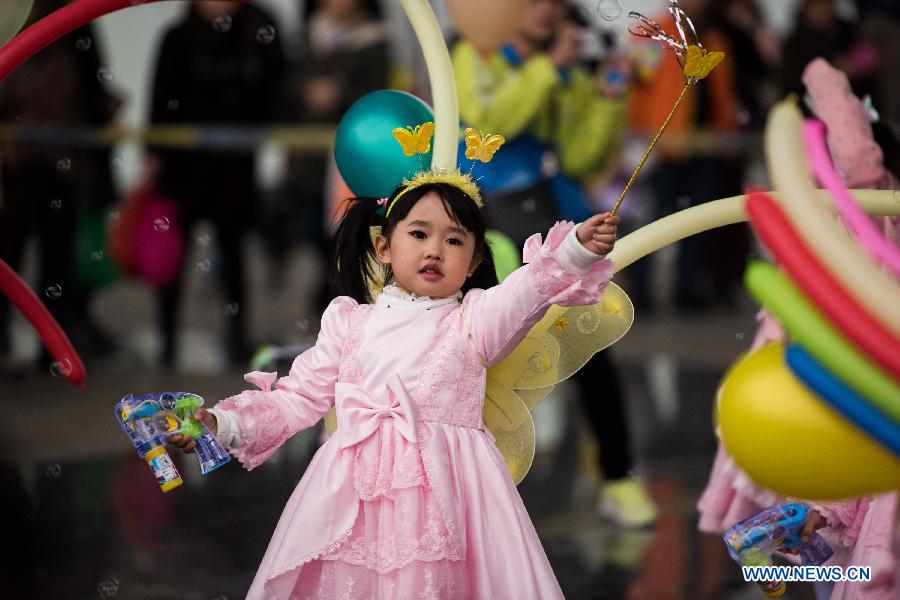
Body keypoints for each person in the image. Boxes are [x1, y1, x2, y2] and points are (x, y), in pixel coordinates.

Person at [169, 166, 621, 597]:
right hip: (349, 497)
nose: (434, 250)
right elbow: (296, 398)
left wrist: (575, 250)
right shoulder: (349, 322)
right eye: (419, 234)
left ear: (474, 259)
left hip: (448, 496)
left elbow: (528, 291)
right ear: (384, 247)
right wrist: (218, 424)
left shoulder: (475, 320)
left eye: (454, 240)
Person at [698, 58, 899, 600]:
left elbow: (857, 158)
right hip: (817, 400)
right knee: (836, 552)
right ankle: (794, 555)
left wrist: (816, 75)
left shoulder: (868, 212)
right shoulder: (820, 230)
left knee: (854, 555)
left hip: (853, 404)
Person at [452, 0, 656, 527]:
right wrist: (545, 70)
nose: (544, 11)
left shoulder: (563, 66)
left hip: (550, 222)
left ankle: (617, 476)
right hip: (487, 227)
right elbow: (489, 119)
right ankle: (465, 486)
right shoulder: (474, 55)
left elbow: (583, 159)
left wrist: (610, 95)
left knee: (591, 350)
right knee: (474, 354)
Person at [147, 0, 285, 366]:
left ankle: (238, 338)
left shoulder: (257, 33)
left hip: (233, 170)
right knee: (174, 255)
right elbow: (159, 103)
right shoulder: (177, 38)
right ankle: (167, 340)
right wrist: (153, 156)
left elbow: (276, 93)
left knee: (234, 253)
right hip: (183, 169)